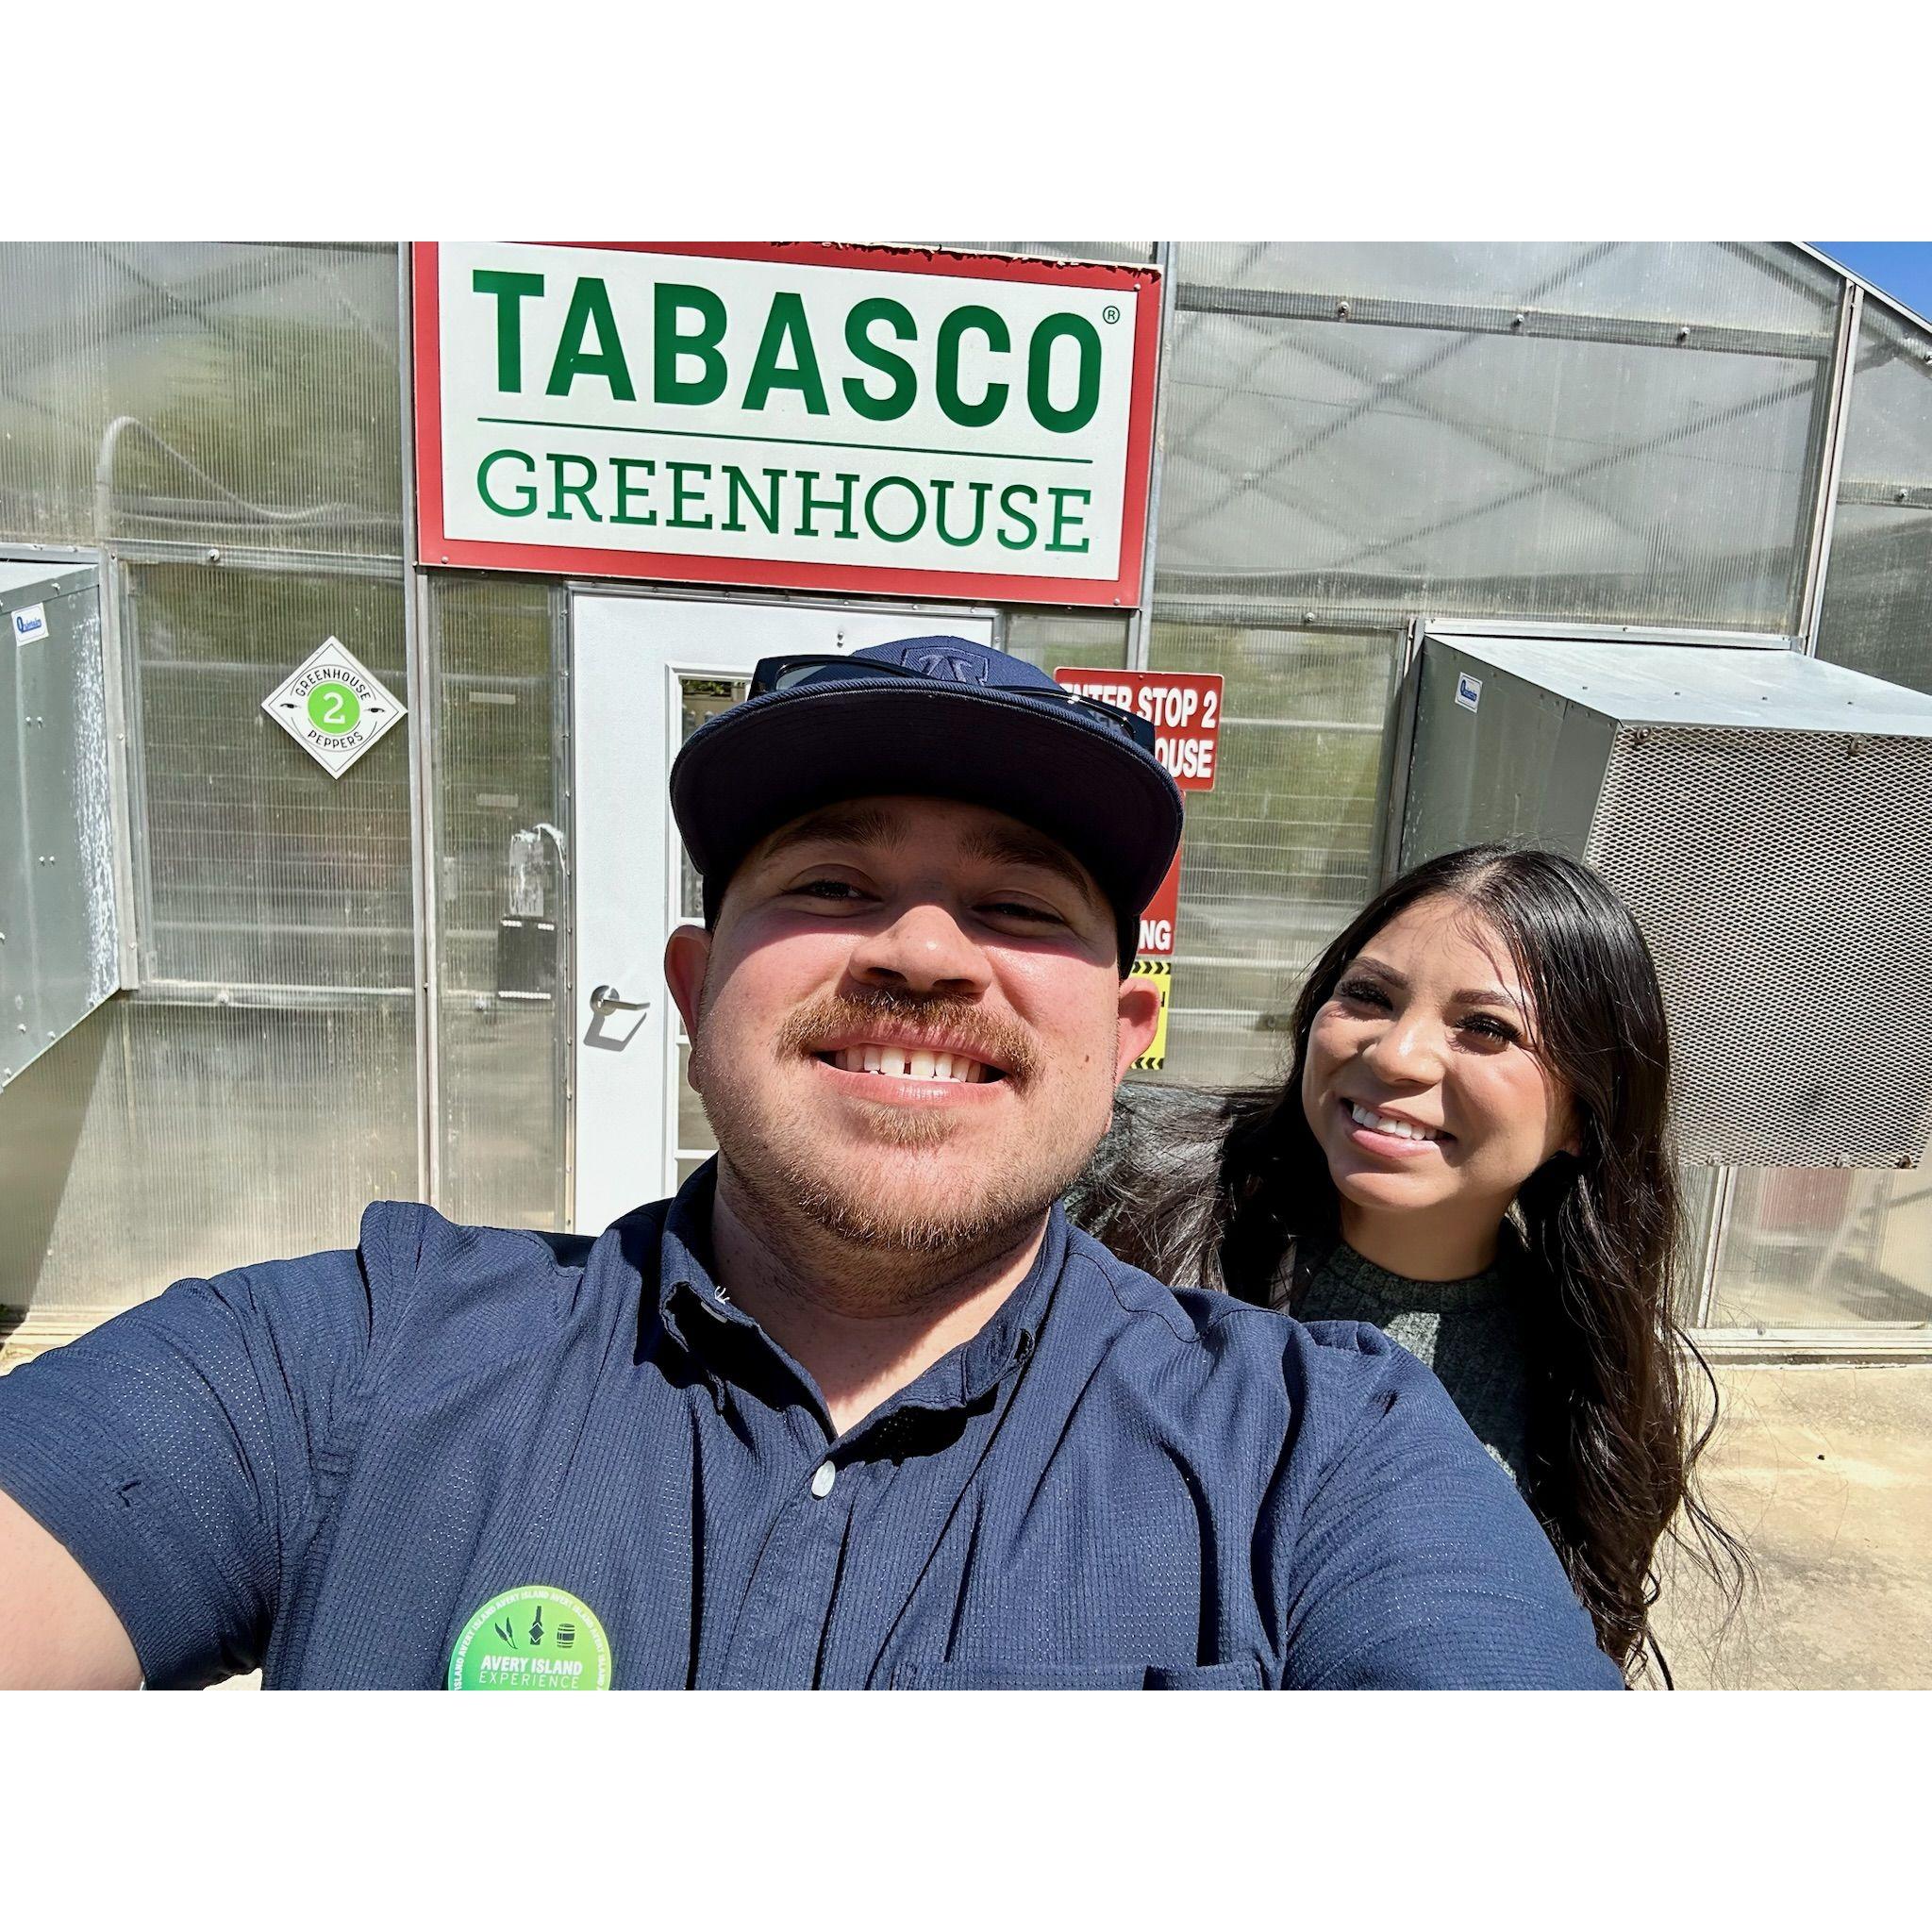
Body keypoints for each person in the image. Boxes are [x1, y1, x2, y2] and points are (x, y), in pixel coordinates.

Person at [0, 641, 1621, 1690]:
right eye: (833, 881)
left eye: (1016, 905)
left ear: (1125, 1031)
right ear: (698, 989)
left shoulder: (1321, 1457)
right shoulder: (341, 1363)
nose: (921, 948)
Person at [1070, 844, 1745, 1684]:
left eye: (1488, 1028)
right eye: (1369, 996)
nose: (1396, 1055)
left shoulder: (1589, 1382)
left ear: (1585, 1111)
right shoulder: (1118, 1196)